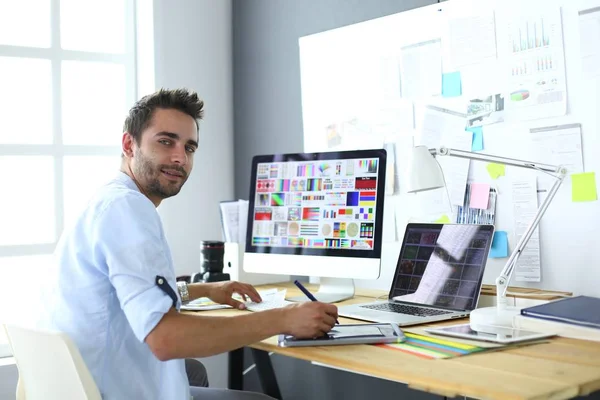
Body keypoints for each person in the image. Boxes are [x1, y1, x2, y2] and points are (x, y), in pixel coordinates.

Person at [41, 88, 338, 400]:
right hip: (113, 389)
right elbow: (166, 340)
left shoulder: (106, 200)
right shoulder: (129, 209)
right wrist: (284, 318)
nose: (180, 157)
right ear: (129, 144)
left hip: (81, 380)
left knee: (193, 370)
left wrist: (199, 290)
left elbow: (117, 294)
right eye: (166, 142)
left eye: (190, 147)